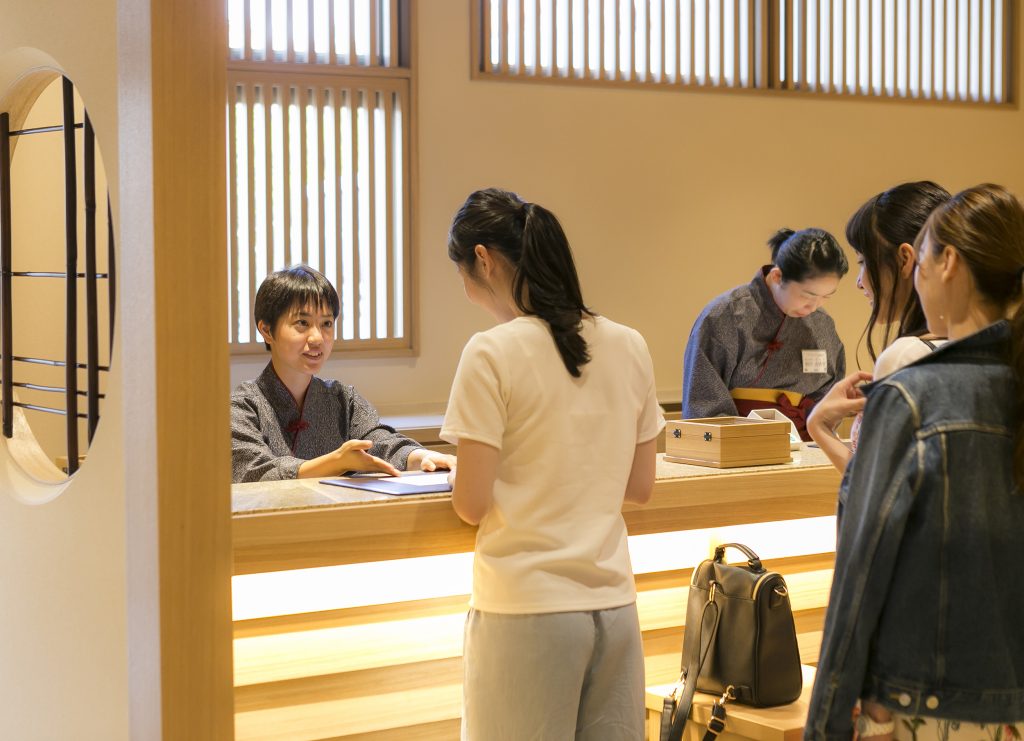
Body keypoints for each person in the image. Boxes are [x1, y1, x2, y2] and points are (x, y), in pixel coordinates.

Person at [440, 188, 663, 740]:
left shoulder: (490, 352)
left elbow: (470, 505)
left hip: (525, 610)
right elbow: (640, 487)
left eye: (462, 271)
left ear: (483, 260)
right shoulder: (630, 344)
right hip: (615, 608)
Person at [806, 183, 1024, 740]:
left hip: (923, 702)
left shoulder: (912, 394)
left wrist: (828, 722)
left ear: (947, 263)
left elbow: (862, 571)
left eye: (922, 259)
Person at [231, 265, 454, 483]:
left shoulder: (342, 398)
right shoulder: (242, 406)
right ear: (266, 330)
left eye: (326, 323)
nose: (317, 338)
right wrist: (337, 462)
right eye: (302, 323)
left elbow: (380, 441)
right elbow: (254, 471)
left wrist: (421, 457)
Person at [807, 182, 951, 472]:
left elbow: (875, 489)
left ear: (905, 259)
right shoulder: (983, 344)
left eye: (863, 262)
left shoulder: (906, 356)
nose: (859, 281)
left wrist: (819, 427)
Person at [682, 228, 848, 440]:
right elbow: (704, 398)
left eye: (826, 297)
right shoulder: (725, 314)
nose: (814, 306)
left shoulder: (822, 323)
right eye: (808, 295)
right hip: (735, 441)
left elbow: (829, 395)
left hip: (805, 442)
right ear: (777, 276)